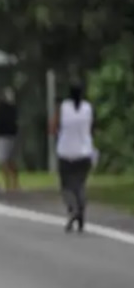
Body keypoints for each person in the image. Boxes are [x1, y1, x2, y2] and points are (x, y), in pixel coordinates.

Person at [50, 83, 95, 233]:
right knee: (80, 184)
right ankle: (81, 212)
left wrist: (58, 133)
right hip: (84, 152)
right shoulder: (88, 108)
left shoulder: (63, 107)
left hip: (66, 151)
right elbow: (91, 127)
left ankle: (73, 209)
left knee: (66, 186)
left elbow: (53, 127)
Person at [0, 88, 19, 191]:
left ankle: (8, 183)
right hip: (11, 135)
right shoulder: (13, 108)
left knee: (3, 160)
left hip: (2, 136)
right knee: (10, 160)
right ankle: (14, 183)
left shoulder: (1, 108)